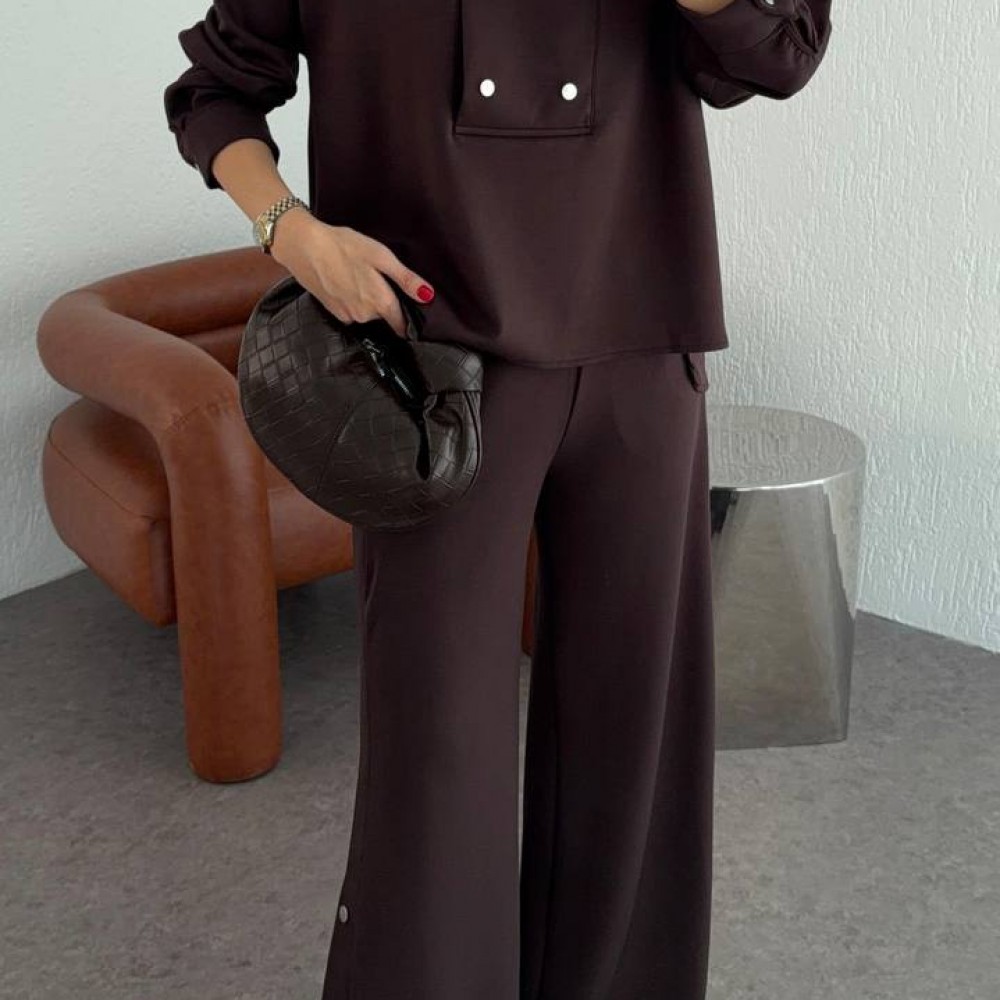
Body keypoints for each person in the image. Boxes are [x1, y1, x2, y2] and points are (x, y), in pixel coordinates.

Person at [163, 0, 833, 997]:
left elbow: (779, 51)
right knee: (435, 764)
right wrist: (291, 233)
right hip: (428, 384)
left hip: (642, 350)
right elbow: (215, 88)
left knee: (634, 749)